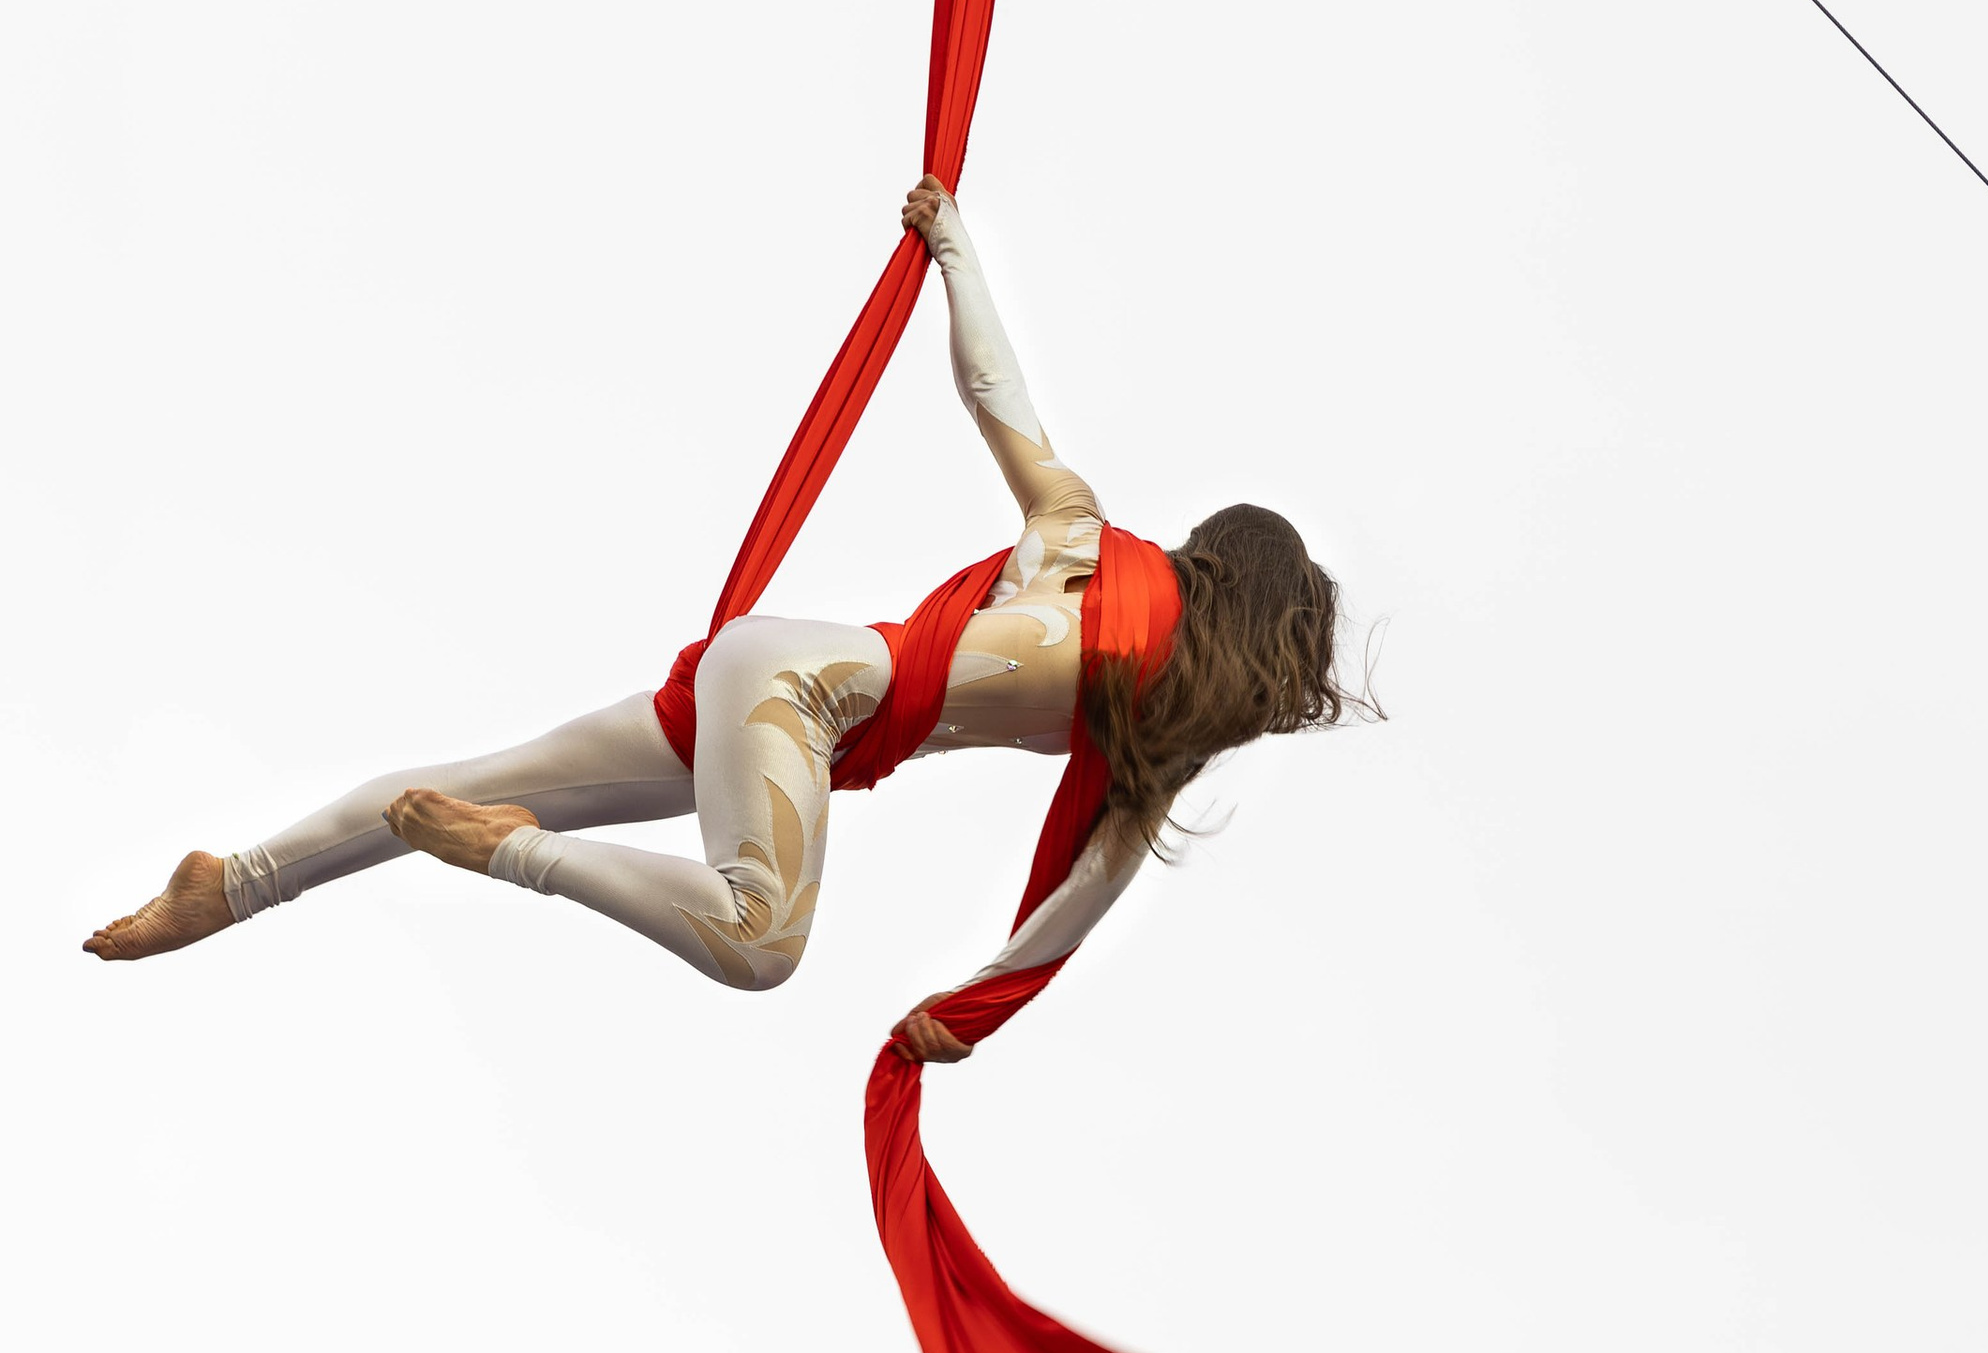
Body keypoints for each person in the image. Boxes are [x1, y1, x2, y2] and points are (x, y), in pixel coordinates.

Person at [84, 182, 1357, 1059]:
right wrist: (966, 1017)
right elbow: (1078, 900)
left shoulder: (1081, 531)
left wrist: (957, 246)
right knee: (758, 944)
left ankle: (236, 883)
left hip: (778, 671)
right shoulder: (1160, 719)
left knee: (485, 775)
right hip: (799, 708)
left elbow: (992, 389)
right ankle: (502, 851)